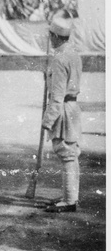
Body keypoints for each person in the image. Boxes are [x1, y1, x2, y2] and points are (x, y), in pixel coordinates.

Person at [42, 15, 82, 213]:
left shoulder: (59, 58)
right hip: (73, 108)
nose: (49, 38)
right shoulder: (73, 53)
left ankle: (69, 201)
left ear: (56, 36)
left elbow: (57, 96)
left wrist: (47, 121)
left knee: (66, 153)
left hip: (63, 111)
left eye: (51, 34)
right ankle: (70, 196)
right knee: (72, 155)